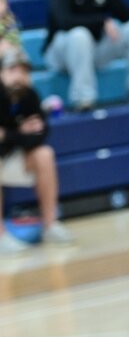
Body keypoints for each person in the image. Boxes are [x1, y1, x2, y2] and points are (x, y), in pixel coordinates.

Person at [0, 48, 73, 253]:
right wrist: (20, 132)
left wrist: (10, 134)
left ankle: (51, 225)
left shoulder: (29, 95)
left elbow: (41, 133)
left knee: (44, 154)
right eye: (12, 70)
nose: (19, 76)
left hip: (9, 157)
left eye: (24, 71)